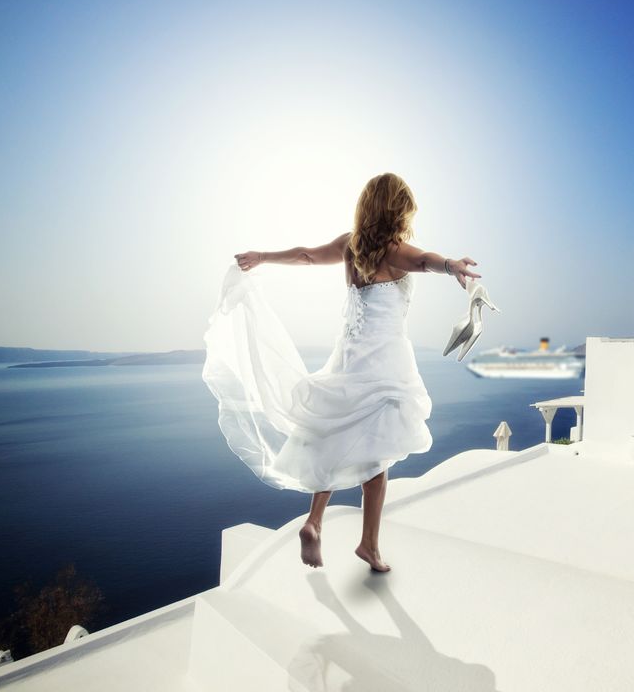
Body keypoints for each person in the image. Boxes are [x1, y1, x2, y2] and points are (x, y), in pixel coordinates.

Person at [202, 172, 480, 573]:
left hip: (348, 357)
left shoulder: (351, 245)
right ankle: (369, 544)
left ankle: (315, 521)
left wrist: (262, 257)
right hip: (384, 362)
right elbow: (424, 261)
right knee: (378, 454)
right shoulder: (394, 250)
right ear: (398, 209)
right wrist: (452, 265)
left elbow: (306, 255)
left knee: (332, 432)